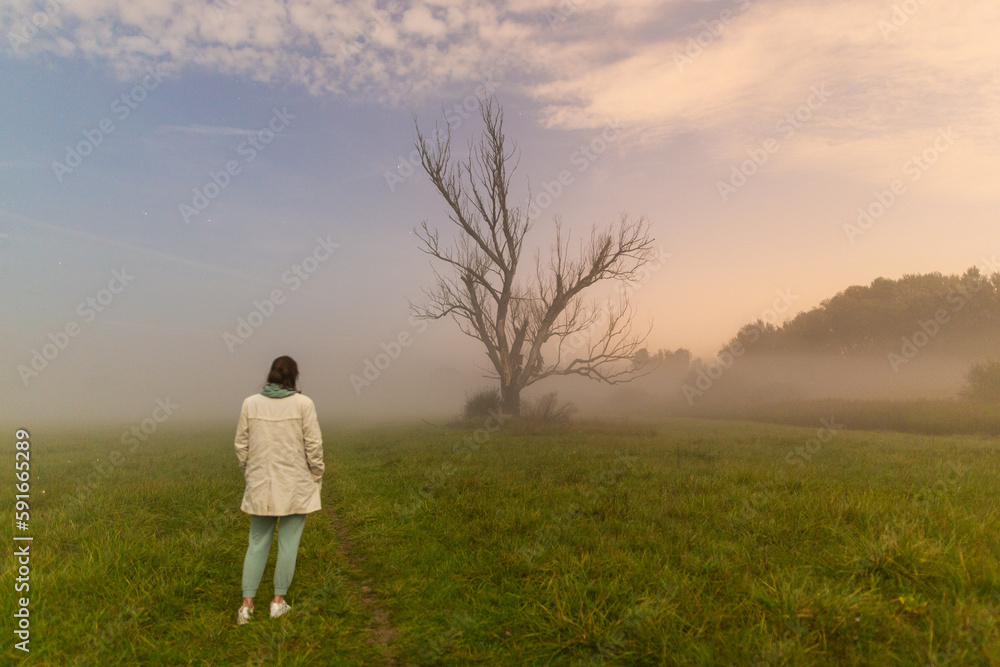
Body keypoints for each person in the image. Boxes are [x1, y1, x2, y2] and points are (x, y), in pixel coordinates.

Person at [234, 355, 324, 625]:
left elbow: (241, 446)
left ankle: (246, 607)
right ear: (293, 377)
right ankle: (277, 603)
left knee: (257, 544)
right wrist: (317, 474)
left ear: (270, 374)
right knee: (288, 545)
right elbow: (314, 446)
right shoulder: (304, 404)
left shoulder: (250, 403)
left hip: (260, 485)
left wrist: (250, 473)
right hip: (295, 485)